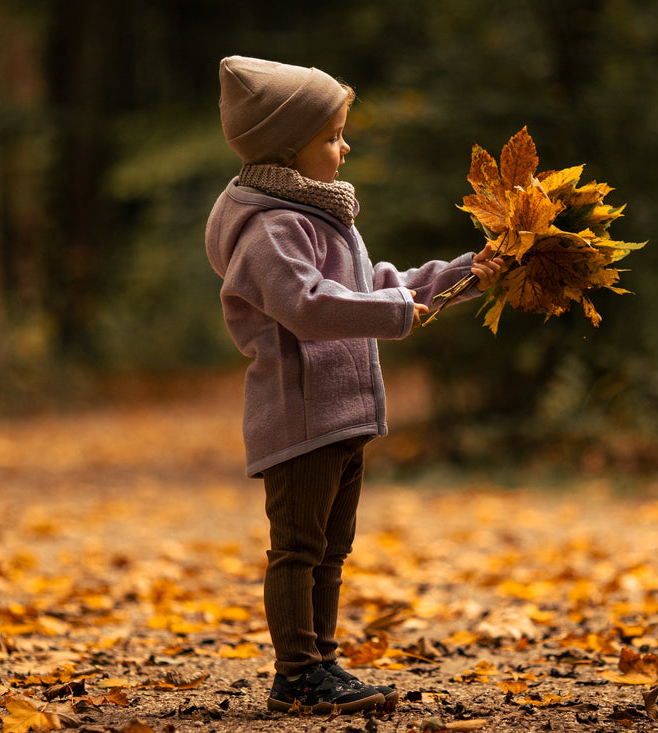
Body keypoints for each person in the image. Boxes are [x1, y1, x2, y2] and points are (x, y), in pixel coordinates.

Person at [205, 55, 505, 715]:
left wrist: (463, 272)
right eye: (333, 136)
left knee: (332, 549)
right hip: (300, 417)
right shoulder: (271, 230)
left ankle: (323, 660)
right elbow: (310, 306)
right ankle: (297, 674)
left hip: (341, 417)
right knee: (298, 548)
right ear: (289, 148)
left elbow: (372, 287)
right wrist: (398, 315)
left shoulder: (320, 214)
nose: (345, 147)